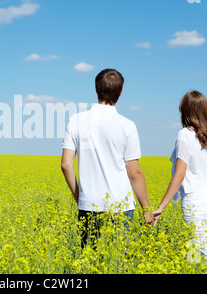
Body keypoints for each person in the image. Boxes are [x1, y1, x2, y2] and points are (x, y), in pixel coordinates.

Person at [61, 68, 153, 249]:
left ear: (96, 90)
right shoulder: (127, 125)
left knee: (88, 260)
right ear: (121, 92)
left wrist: (80, 197)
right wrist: (146, 209)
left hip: (89, 204)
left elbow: (66, 165)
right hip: (120, 206)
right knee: (117, 261)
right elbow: (134, 173)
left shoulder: (76, 120)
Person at [151, 90, 207, 274]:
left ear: (185, 111)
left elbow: (179, 175)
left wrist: (161, 206)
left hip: (197, 203)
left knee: (203, 260)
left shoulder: (185, 134)